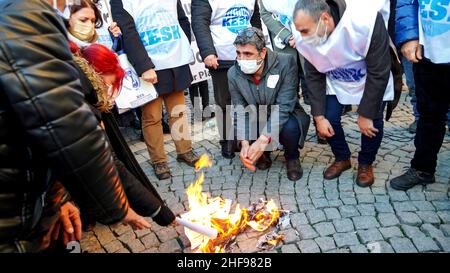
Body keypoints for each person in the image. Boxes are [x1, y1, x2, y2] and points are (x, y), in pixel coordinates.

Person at [0, 0, 148, 252]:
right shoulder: (24, 16)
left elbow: (36, 128)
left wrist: (54, 200)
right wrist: (119, 208)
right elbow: (70, 133)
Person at [293, 0, 400, 187]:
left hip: (369, 78)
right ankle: (342, 157)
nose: (302, 37)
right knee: (329, 118)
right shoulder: (303, 29)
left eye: (305, 31)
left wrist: (365, 114)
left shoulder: (364, 21)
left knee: (372, 123)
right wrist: (318, 117)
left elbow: (379, 71)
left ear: (325, 19)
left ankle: (366, 163)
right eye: (300, 31)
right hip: (337, 79)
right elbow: (313, 75)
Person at [69, 41, 176, 227]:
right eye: (111, 83)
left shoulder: (75, 87)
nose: (110, 90)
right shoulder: (78, 106)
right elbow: (109, 162)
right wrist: (157, 211)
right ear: (98, 74)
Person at [111, 0, 199, 180]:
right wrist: (144, 66)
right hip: (149, 64)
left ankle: (185, 151)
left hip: (175, 61)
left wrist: (180, 47)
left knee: (178, 112)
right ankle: (159, 161)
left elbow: (182, 19)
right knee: (152, 117)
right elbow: (127, 32)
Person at [228, 27, 310, 181]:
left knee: (290, 127)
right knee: (235, 135)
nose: (242, 59)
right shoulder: (233, 73)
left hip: (285, 113)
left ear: (263, 52)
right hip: (256, 116)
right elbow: (240, 109)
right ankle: (263, 154)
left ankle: (292, 157)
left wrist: (262, 140)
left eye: (248, 54)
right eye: (238, 53)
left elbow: (285, 105)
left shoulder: (285, 62)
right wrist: (245, 144)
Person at [390, 0, 450, 190]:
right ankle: (422, 169)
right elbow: (406, 2)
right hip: (428, 51)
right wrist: (409, 37)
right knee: (428, 115)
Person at [192, 0, 262, 159]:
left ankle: (252, 138)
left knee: (252, 99)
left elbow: (255, 20)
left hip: (248, 57)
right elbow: (199, 23)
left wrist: (259, 48)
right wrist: (208, 52)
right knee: (225, 102)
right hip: (221, 58)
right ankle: (227, 141)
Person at [260, 0, 327, 145]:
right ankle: (293, 132)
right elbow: (265, 14)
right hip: (284, 47)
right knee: (288, 90)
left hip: (309, 39)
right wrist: (288, 36)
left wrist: (303, 32)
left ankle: (320, 123)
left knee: (313, 85)